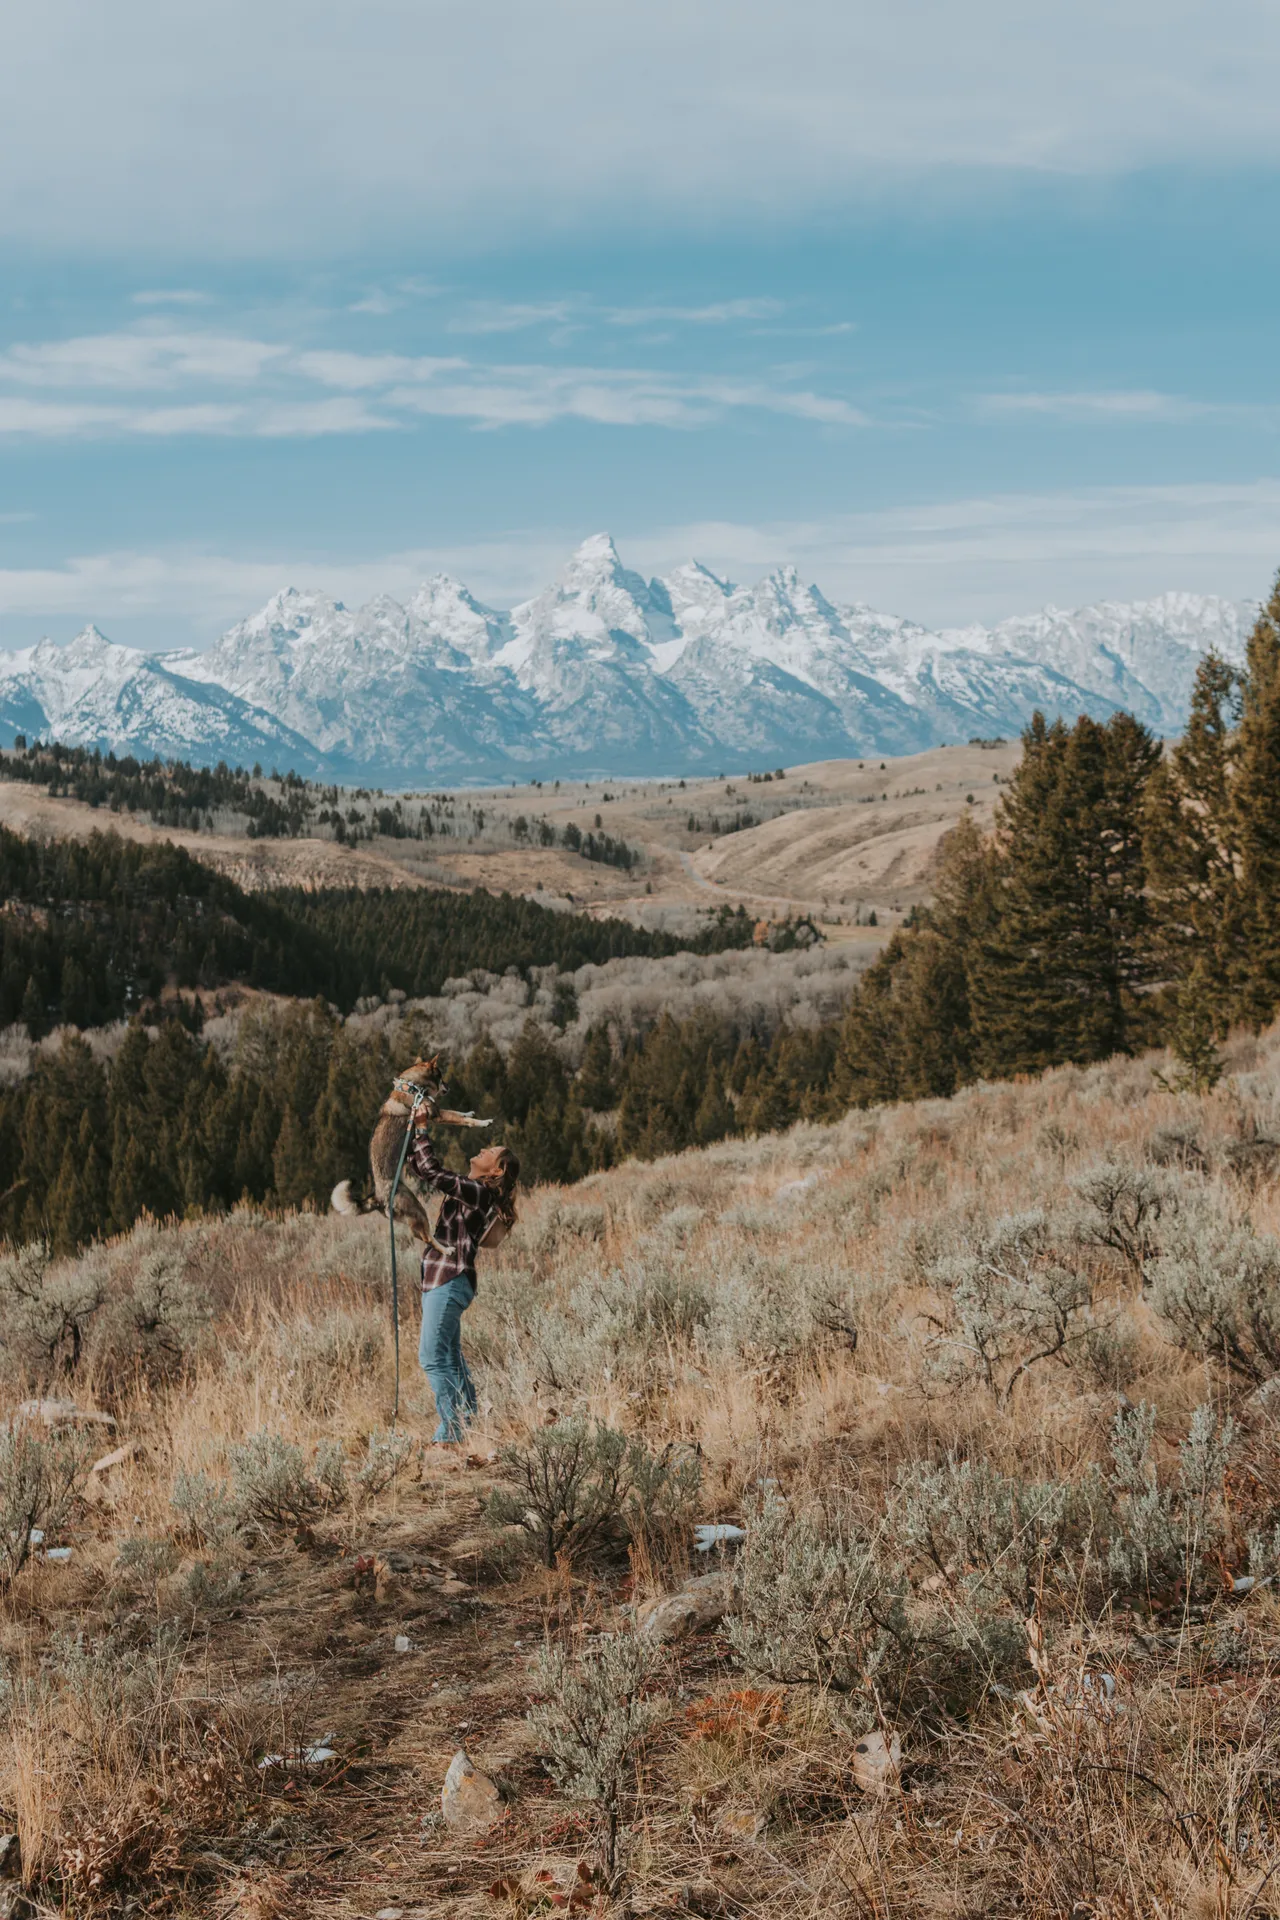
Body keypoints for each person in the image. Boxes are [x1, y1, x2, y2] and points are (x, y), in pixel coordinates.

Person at [406, 1119, 519, 1444]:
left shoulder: (478, 1191)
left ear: (495, 1171)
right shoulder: (477, 1192)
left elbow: (431, 1172)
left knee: (432, 1358)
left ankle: (451, 1434)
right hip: (447, 1280)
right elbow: (422, 1168)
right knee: (450, 1358)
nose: (483, 1149)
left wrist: (423, 1129)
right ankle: (468, 1426)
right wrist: (411, 1136)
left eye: (490, 1152)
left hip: (448, 1279)